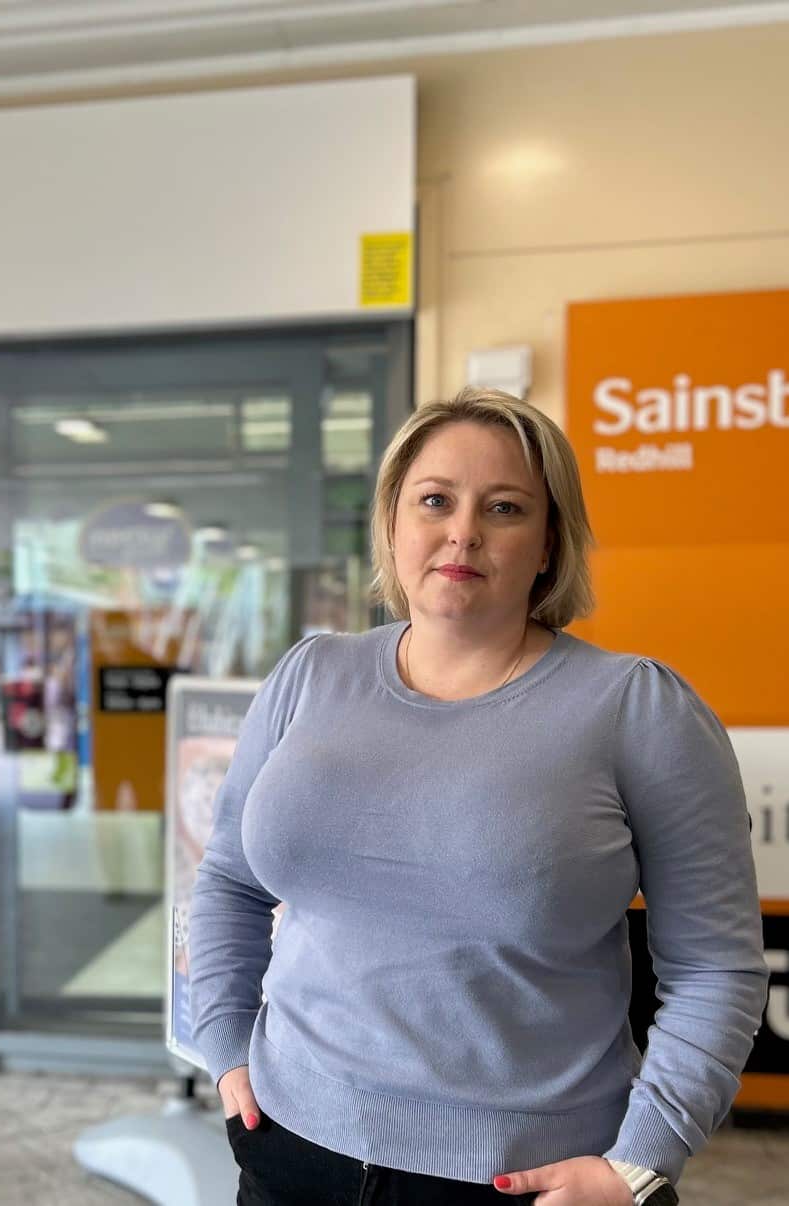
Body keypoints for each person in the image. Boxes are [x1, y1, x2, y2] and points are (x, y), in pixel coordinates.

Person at [186, 387, 768, 1206]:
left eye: (503, 508)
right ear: (392, 520)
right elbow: (229, 882)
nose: (462, 532)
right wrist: (222, 1045)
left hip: (524, 1180)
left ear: (547, 545)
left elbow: (714, 967)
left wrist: (642, 1160)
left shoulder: (637, 708)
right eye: (434, 500)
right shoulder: (310, 675)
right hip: (287, 1148)